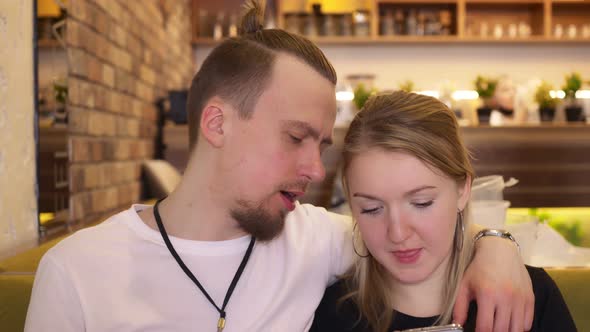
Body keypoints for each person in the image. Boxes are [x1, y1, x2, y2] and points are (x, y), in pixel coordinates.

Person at [25, 2, 533, 331]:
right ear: (217, 124)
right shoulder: (76, 273)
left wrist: (498, 246)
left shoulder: (314, 240)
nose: (315, 168)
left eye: (321, 144)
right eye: (296, 138)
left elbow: (422, 231)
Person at [311, 91, 576, 332]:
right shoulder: (329, 314)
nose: (398, 233)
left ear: (462, 190)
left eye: (421, 203)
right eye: (371, 209)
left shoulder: (526, 295)